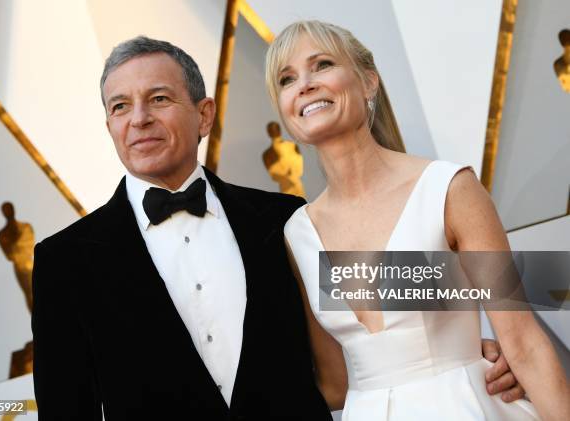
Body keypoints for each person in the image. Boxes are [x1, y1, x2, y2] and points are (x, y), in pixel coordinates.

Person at [32, 35, 520, 420]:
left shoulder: (288, 219)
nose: (138, 119)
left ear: (204, 115)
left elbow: (388, 299)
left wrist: (468, 352)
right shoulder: (63, 261)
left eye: (158, 98)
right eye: (120, 106)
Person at [266, 20, 570, 420]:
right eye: (287, 79)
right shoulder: (298, 232)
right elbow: (335, 384)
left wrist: (460, 356)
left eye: (321, 65)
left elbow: (524, 344)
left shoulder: (447, 189)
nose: (304, 84)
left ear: (368, 82)